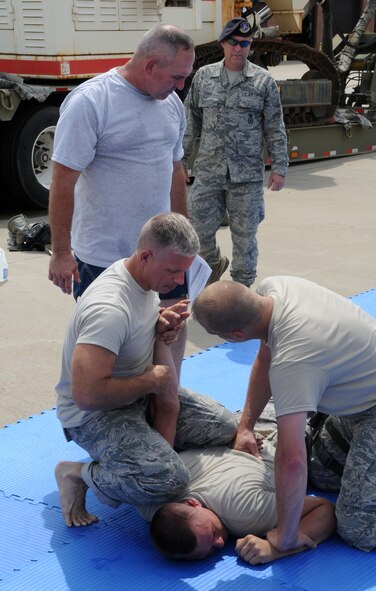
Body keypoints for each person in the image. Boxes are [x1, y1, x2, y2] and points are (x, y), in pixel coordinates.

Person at [54, 214, 237, 528]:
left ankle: (140, 452)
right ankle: (78, 474)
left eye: (184, 271)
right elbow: (86, 395)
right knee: (169, 480)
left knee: (224, 426)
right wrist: (150, 380)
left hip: (137, 394)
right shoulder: (109, 309)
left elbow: (134, 330)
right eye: (173, 270)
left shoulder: (143, 278)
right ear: (145, 256)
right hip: (97, 414)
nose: (179, 281)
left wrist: (159, 323)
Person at [48, 24, 196, 377]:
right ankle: (119, 421)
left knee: (174, 330)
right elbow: (62, 182)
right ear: (150, 65)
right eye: (176, 77)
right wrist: (61, 251)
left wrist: (187, 241)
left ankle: (168, 400)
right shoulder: (92, 102)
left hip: (164, 252)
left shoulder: (171, 105)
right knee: (116, 353)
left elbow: (176, 171)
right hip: (104, 257)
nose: (181, 86)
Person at [191, 277, 376, 553]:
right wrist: (245, 428)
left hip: (368, 410)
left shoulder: (293, 360)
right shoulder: (274, 288)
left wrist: (285, 541)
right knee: (322, 471)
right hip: (360, 398)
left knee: (356, 529)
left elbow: (291, 461)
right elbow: (265, 359)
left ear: (236, 336)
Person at [182, 17, 288, 286]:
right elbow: (189, 119)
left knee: (244, 237)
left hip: (247, 176)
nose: (238, 48)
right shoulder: (204, 77)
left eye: (244, 43)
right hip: (208, 172)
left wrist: (279, 168)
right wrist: (181, 159)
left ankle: (241, 288)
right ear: (222, 44)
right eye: (233, 42)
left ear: (250, 45)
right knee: (197, 231)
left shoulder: (262, 81)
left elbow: (275, 126)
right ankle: (213, 266)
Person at [139, 433, 335, 565]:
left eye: (213, 531)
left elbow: (324, 510)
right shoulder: (148, 499)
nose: (220, 544)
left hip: (291, 429)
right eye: (209, 552)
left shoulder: (244, 513)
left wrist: (277, 548)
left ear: (193, 503)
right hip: (238, 427)